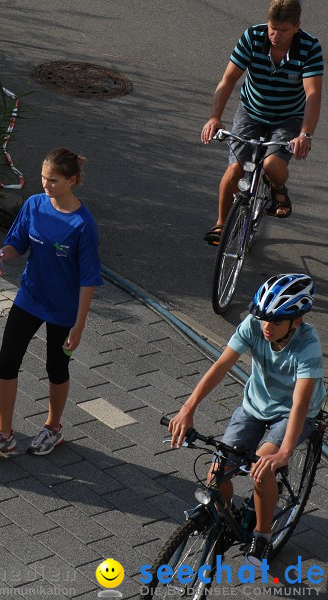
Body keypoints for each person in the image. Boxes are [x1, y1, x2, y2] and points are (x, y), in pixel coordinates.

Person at [169, 274, 323, 565]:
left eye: (276, 322)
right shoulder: (253, 325)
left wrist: (284, 453)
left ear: (296, 321)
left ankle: (263, 536)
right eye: (264, 318)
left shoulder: (308, 344)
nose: (267, 327)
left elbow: (301, 402)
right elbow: (221, 365)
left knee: (262, 469)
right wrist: (188, 408)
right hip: (256, 404)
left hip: (292, 412)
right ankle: (224, 522)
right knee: (216, 472)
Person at [0, 148, 103, 461]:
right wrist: (3, 254)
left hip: (64, 309)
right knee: (7, 362)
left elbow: (88, 280)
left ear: (72, 180)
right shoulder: (34, 204)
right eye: (43, 177)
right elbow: (18, 243)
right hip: (29, 297)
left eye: (53, 180)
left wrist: (79, 325)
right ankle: (4, 434)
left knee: (56, 367)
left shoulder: (83, 225)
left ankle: (53, 427)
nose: (45, 184)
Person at [201, 0, 322, 246]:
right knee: (235, 168)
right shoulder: (253, 37)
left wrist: (305, 134)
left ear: (297, 26)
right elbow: (228, 80)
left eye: (284, 30)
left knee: (272, 164)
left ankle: (278, 189)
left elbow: (312, 95)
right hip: (251, 111)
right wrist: (215, 117)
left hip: (288, 116)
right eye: (272, 28)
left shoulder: (310, 47)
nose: (276, 36)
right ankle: (221, 223)